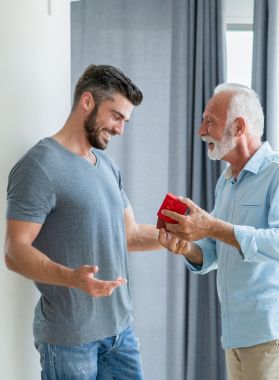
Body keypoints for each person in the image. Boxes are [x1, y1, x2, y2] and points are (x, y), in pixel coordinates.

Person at [4, 64, 163, 379]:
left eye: (125, 121)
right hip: (69, 340)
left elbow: (128, 235)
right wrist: (71, 278)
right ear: (87, 102)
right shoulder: (39, 166)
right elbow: (14, 251)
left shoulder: (106, 165)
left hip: (121, 334)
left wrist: (170, 236)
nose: (120, 129)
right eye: (115, 116)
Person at [158, 83, 279, 380]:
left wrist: (213, 226)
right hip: (236, 335)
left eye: (210, 122)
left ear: (239, 126)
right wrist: (187, 246)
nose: (201, 130)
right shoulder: (226, 182)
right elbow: (215, 250)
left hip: (273, 335)